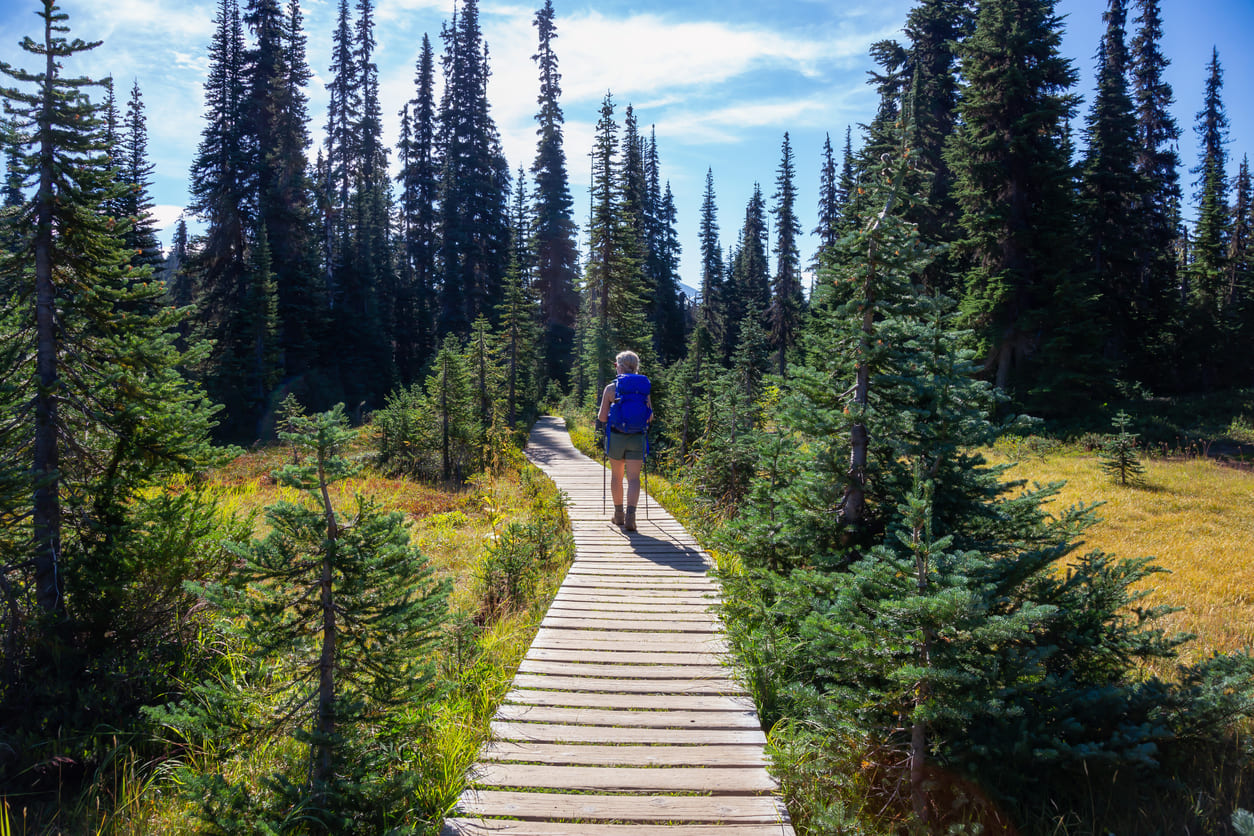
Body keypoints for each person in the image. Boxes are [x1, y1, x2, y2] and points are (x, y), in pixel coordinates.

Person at [597, 350, 652, 532]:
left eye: (615, 365)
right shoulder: (643, 388)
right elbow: (649, 417)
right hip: (637, 437)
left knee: (617, 476)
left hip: (617, 437)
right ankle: (631, 517)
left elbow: (603, 418)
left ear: (619, 366)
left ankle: (618, 515)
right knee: (634, 478)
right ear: (635, 367)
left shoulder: (611, 388)